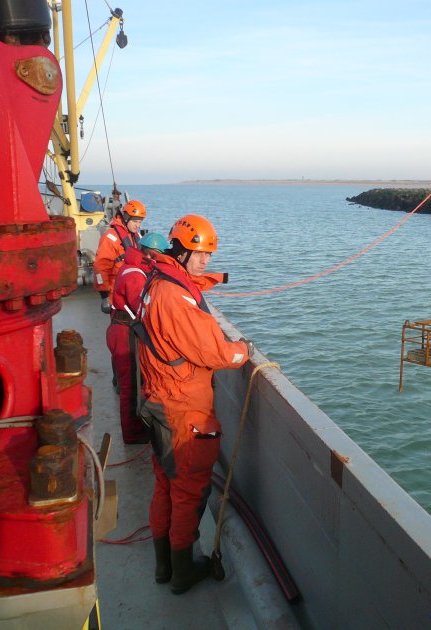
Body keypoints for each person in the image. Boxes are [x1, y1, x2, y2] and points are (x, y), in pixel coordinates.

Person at [136, 214, 252, 595]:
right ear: (180, 251)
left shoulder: (159, 281)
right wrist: (243, 351)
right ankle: (184, 571)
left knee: (164, 485)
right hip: (183, 409)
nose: (205, 261)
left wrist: (211, 280)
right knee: (188, 490)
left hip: (157, 402)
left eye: (208, 254)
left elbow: (186, 290)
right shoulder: (175, 298)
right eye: (199, 254)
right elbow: (216, 352)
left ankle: (162, 566)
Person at [106, 232, 169, 444]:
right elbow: (143, 309)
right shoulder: (135, 275)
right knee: (131, 388)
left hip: (120, 329)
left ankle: (134, 429)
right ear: (152, 254)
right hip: (125, 334)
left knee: (129, 383)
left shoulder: (132, 266)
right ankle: (133, 435)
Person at [93, 199, 146, 313]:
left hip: (132, 291)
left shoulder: (135, 236)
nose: (138, 225)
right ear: (126, 218)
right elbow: (100, 267)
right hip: (116, 295)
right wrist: (104, 297)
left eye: (140, 222)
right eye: (135, 221)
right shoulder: (110, 238)